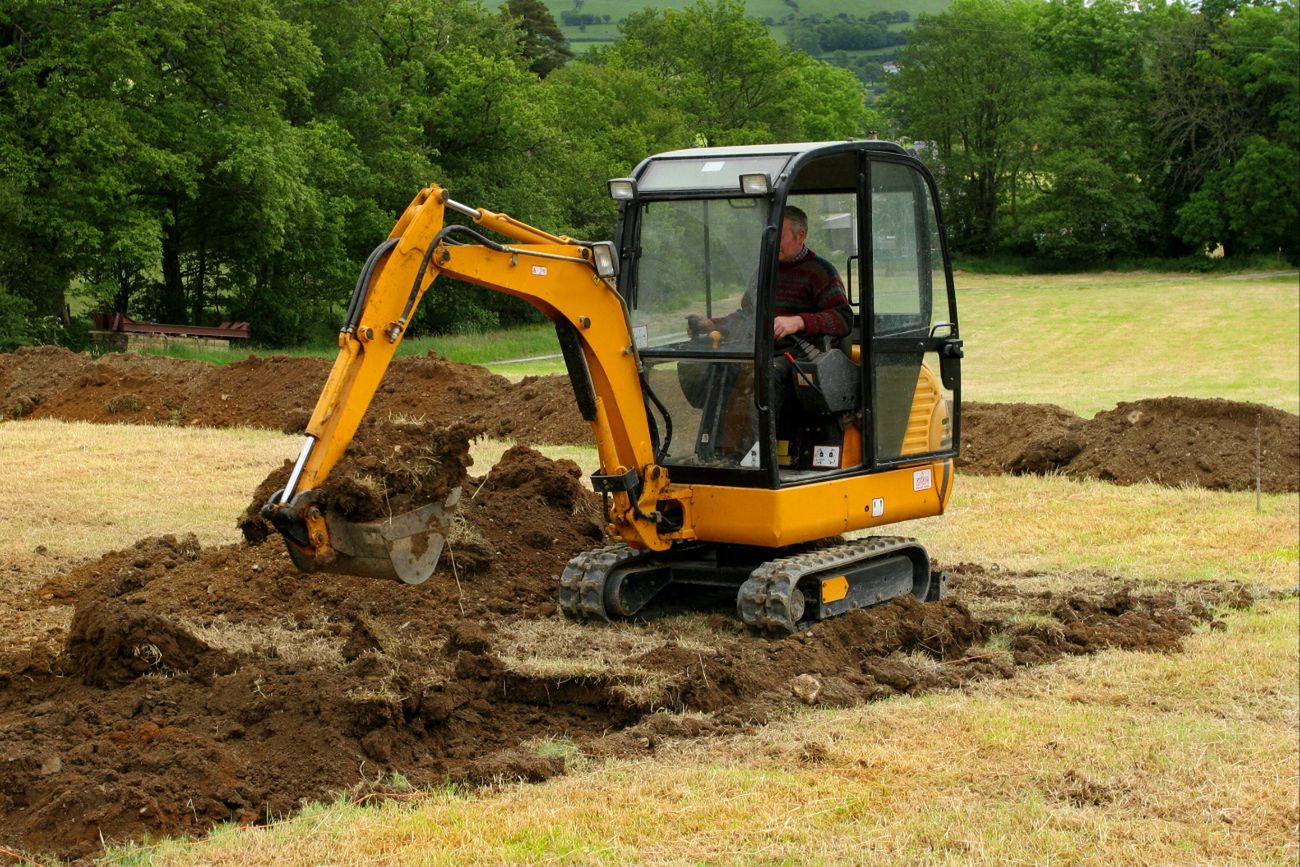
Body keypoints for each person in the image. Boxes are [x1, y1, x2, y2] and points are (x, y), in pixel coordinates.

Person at [688, 205, 852, 347]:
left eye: (778, 237)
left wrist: (798, 322)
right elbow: (748, 316)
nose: (771, 243)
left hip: (802, 357)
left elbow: (843, 318)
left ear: (800, 236)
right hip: (763, 355)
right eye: (769, 236)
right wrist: (712, 325)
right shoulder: (763, 271)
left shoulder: (820, 272)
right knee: (700, 370)